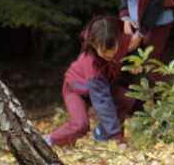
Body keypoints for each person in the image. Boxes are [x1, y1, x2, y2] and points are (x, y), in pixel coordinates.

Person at [45, 15, 134, 146]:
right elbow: (103, 102)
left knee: (127, 98)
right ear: (94, 44)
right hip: (76, 89)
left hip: (104, 86)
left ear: (117, 39)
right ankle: (47, 140)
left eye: (112, 50)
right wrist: (117, 137)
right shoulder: (91, 64)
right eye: (104, 52)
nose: (110, 55)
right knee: (81, 125)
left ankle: (102, 134)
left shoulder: (120, 39)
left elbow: (134, 41)